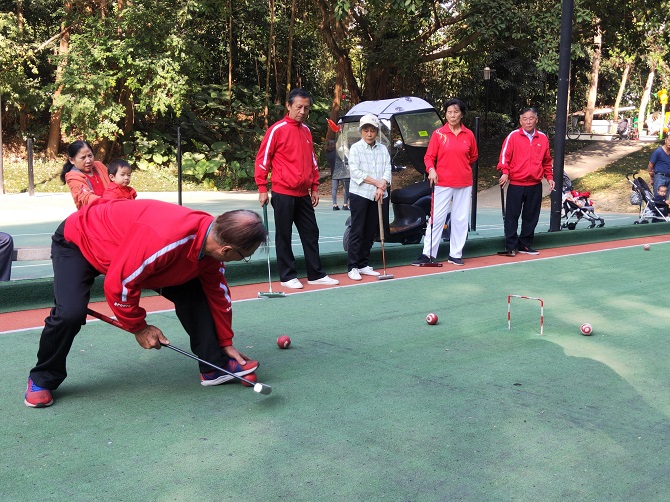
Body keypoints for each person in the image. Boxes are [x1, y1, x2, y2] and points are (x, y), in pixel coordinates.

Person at [24, 199, 267, 408]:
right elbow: (118, 285)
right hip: (80, 240)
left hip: (128, 253)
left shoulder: (210, 245)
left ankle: (214, 366)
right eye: (244, 257)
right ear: (226, 250)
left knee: (196, 293)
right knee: (70, 313)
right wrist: (139, 327)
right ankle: (42, 378)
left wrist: (225, 341)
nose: (242, 260)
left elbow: (218, 295)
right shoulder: (166, 240)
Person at [255, 87, 339, 290]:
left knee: (311, 232)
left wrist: (315, 186)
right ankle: (287, 276)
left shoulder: (306, 131)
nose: (302, 111)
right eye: (299, 107)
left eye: (306, 108)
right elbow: (263, 159)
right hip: (283, 192)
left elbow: (312, 160)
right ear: (288, 106)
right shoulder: (277, 129)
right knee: (283, 234)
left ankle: (315, 274)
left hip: (303, 194)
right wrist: (262, 187)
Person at [412, 98, 478, 266]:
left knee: (460, 219)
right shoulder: (438, 134)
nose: (452, 115)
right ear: (445, 114)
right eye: (449, 112)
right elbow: (429, 157)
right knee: (437, 218)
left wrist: (460, 167)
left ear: (462, 114)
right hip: (442, 182)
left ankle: (455, 254)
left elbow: (473, 156)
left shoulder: (469, 134)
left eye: (456, 112)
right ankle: (428, 254)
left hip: (464, 182)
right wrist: (432, 170)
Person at [497, 107, 555, 257]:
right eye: (525, 119)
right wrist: (505, 172)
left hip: (535, 185)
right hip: (516, 184)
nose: (528, 121)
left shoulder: (543, 138)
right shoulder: (513, 136)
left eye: (531, 118)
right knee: (512, 216)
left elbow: (547, 161)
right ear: (520, 121)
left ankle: (525, 245)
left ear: (536, 120)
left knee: (531, 216)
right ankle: (510, 246)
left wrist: (549, 177)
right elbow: (504, 157)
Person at [346, 114, 391, 280]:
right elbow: (355, 172)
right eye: (366, 130)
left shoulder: (383, 149)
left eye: (372, 130)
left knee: (371, 230)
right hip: (360, 194)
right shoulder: (355, 148)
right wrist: (377, 183)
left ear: (377, 132)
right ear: (361, 131)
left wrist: (382, 185)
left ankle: (363, 264)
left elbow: (387, 169)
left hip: (378, 194)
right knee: (357, 230)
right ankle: (352, 266)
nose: (369, 134)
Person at [60, 140, 110, 209]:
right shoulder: (72, 176)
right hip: (94, 212)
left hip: (112, 208)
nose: (88, 160)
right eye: (83, 158)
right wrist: (110, 203)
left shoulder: (99, 165)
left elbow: (116, 182)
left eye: (90, 155)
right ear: (72, 160)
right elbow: (86, 198)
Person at [329, 139, 351, 211]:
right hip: (342, 172)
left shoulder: (330, 153)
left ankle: (334, 204)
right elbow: (347, 160)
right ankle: (345, 204)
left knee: (334, 188)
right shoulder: (342, 151)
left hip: (334, 172)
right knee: (345, 188)